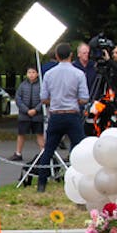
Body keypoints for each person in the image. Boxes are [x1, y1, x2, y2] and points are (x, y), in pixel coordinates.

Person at [36, 43, 89, 193]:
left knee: (48, 149)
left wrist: (57, 100)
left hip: (56, 115)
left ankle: (41, 183)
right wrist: (72, 100)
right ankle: (81, 179)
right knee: (80, 148)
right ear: (71, 55)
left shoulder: (49, 74)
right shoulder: (79, 74)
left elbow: (43, 98)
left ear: (57, 56)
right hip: (72, 115)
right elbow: (84, 98)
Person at [11, 66, 44, 161]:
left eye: (33, 72)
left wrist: (36, 109)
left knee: (39, 134)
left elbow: (44, 99)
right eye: (29, 72)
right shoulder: (22, 85)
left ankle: (43, 152)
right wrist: (26, 110)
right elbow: (18, 99)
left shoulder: (41, 85)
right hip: (24, 114)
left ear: (37, 74)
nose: (31, 74)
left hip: (37, 114)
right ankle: (18, 153)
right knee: (21, 134)